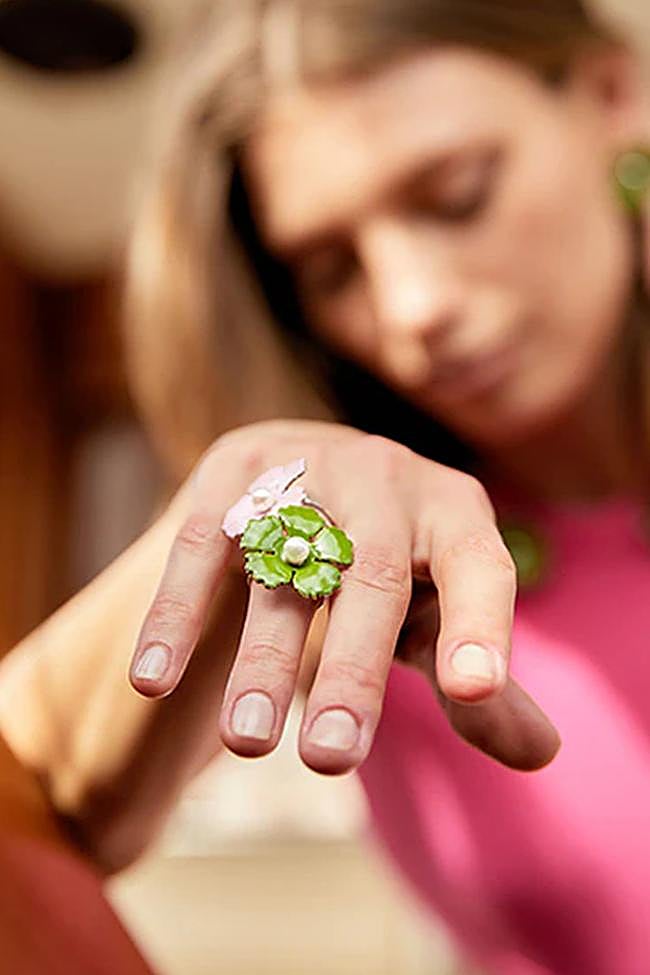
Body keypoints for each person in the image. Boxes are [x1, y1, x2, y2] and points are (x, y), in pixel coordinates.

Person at [2, 1, 650, 973]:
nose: (411, 307)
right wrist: (252, 494)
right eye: (329, 270)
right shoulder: (356, 579)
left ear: (611, 94)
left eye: (457, 195)